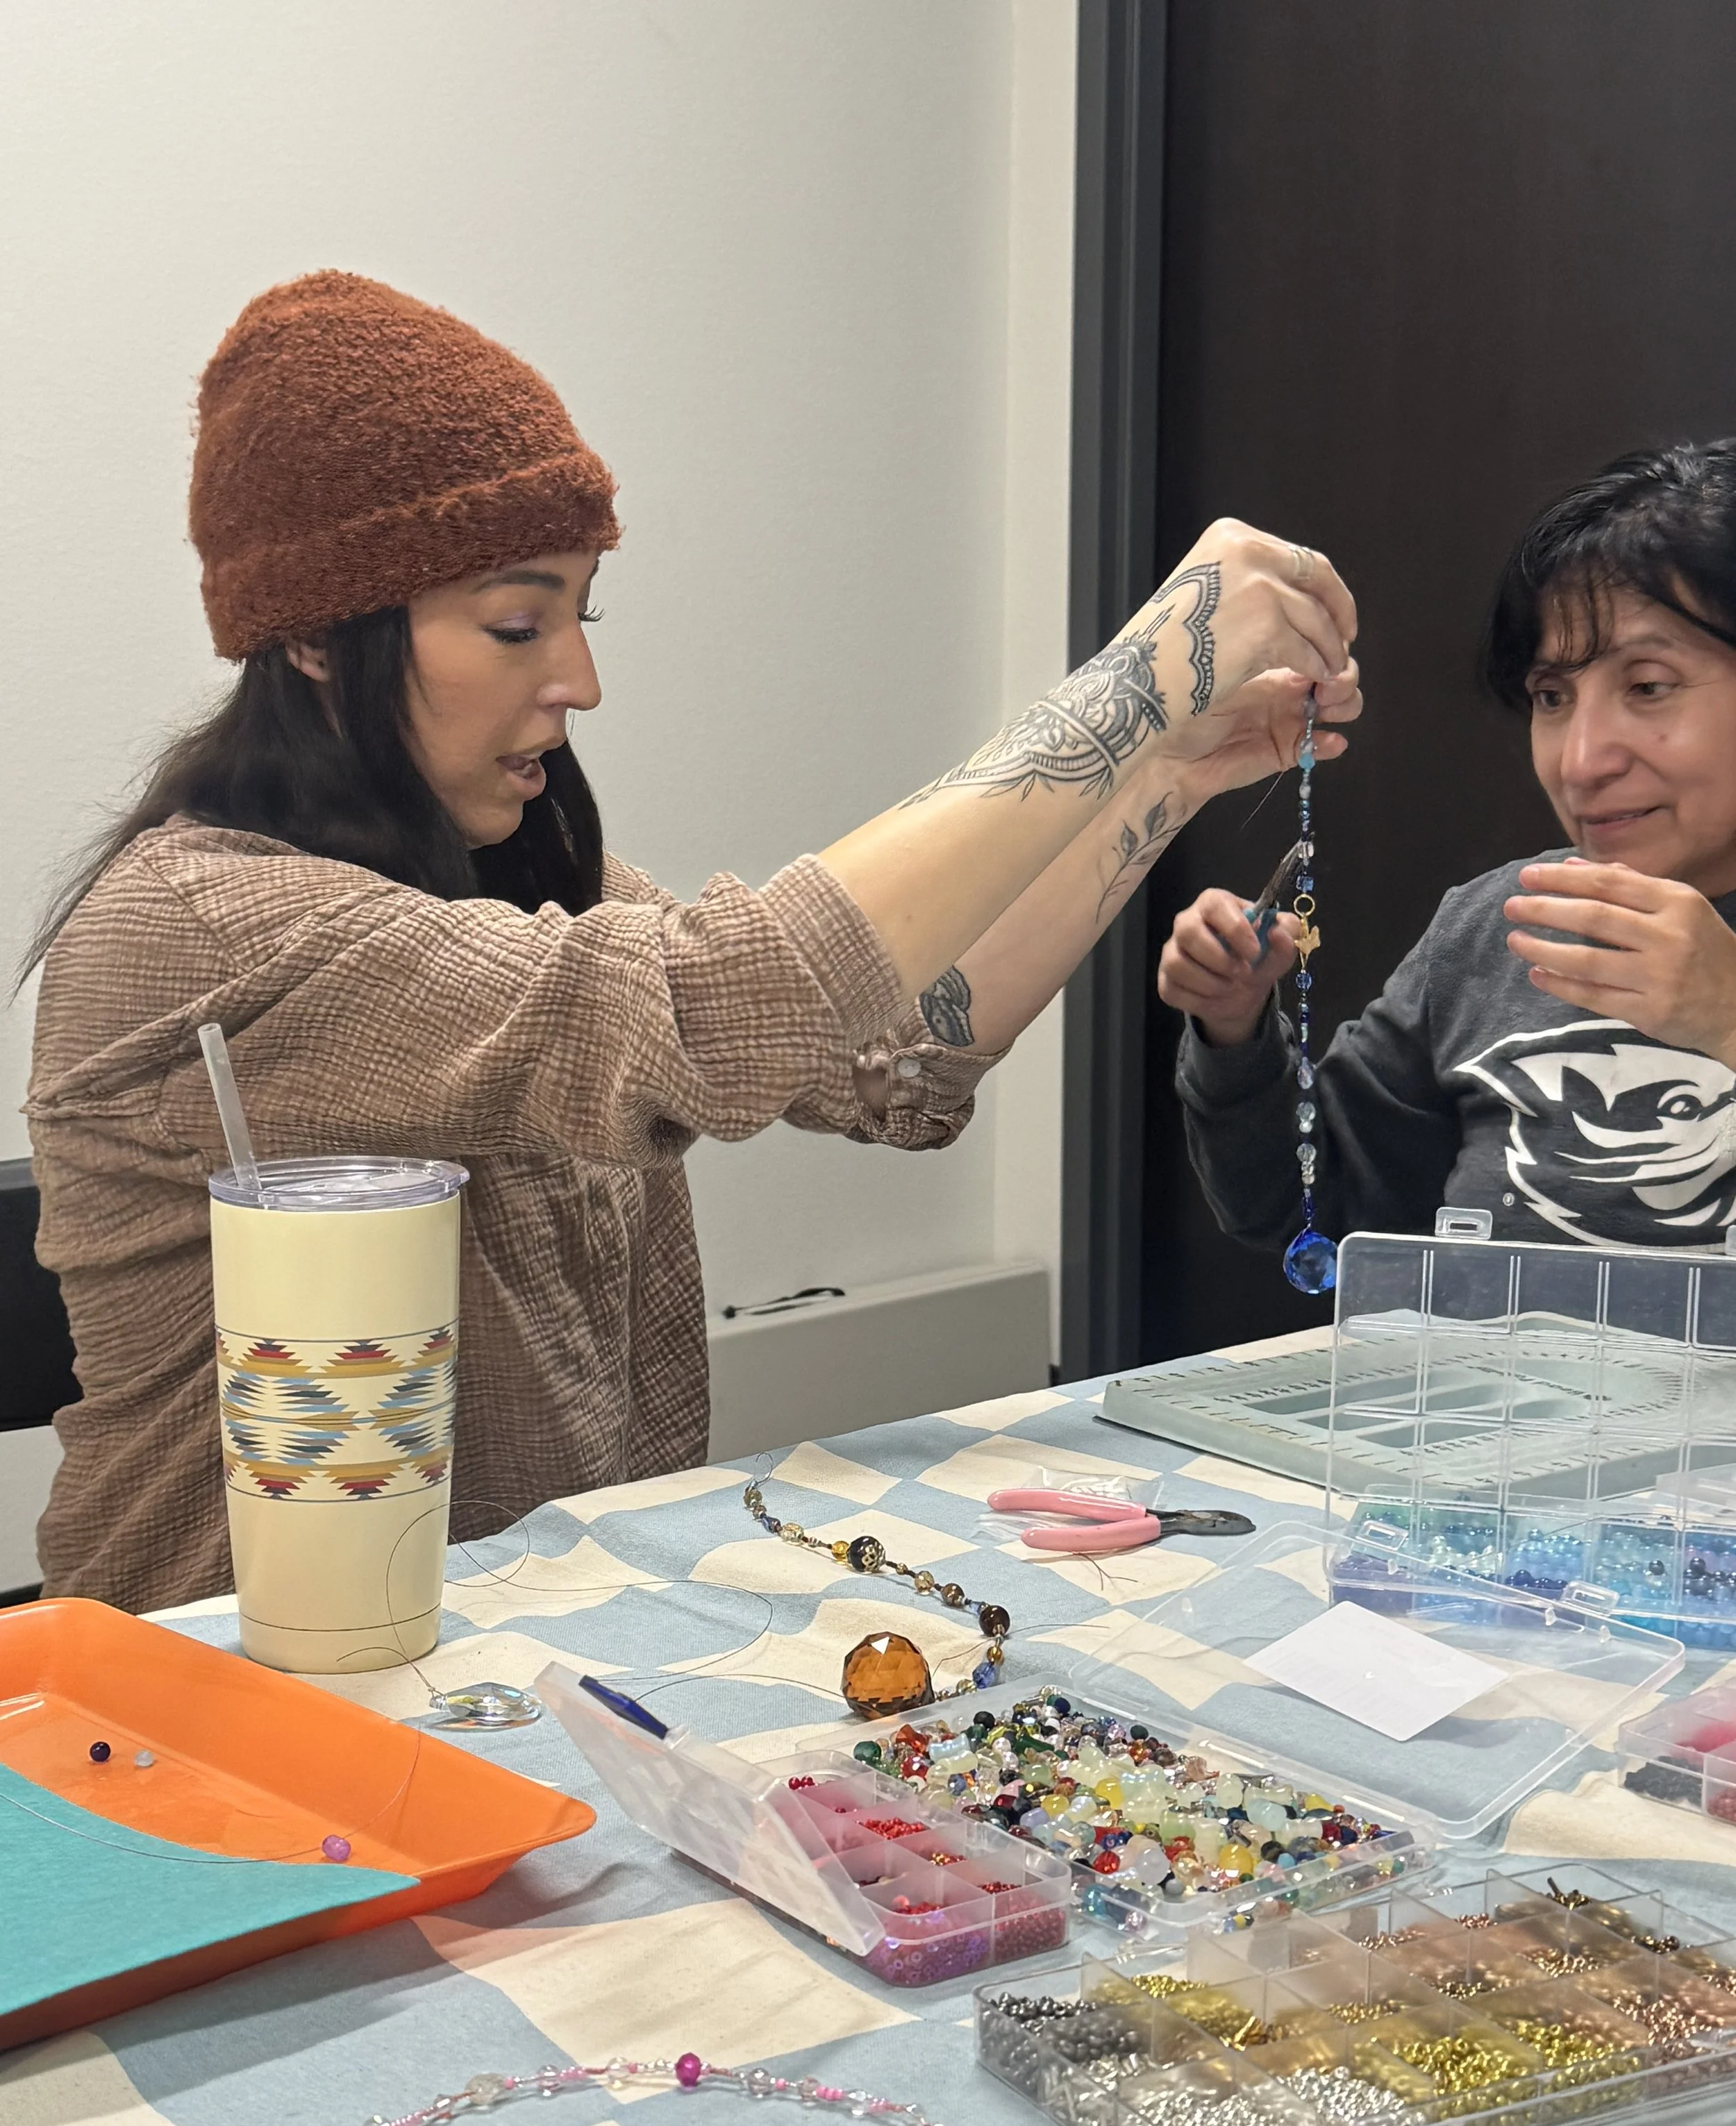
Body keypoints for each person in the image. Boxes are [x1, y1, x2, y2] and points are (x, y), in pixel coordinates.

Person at [24, 271, 1359, 1614]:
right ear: (320, 639)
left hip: (530, 1643)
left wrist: (1162, 775)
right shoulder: (203, 931)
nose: (578, 680)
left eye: (581, 615)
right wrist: (1142, 681)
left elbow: (897, 1059)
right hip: (214, 1682)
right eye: (516, 623)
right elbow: (721, 1010)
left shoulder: (525, 884)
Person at [1160, 440, 1736, 1266]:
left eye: (1647, 686)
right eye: (1551, 697)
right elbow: (1306, 1205)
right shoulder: (1496, 929)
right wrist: (1233, 1029)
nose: (1581, 762)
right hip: (1488, 1360)